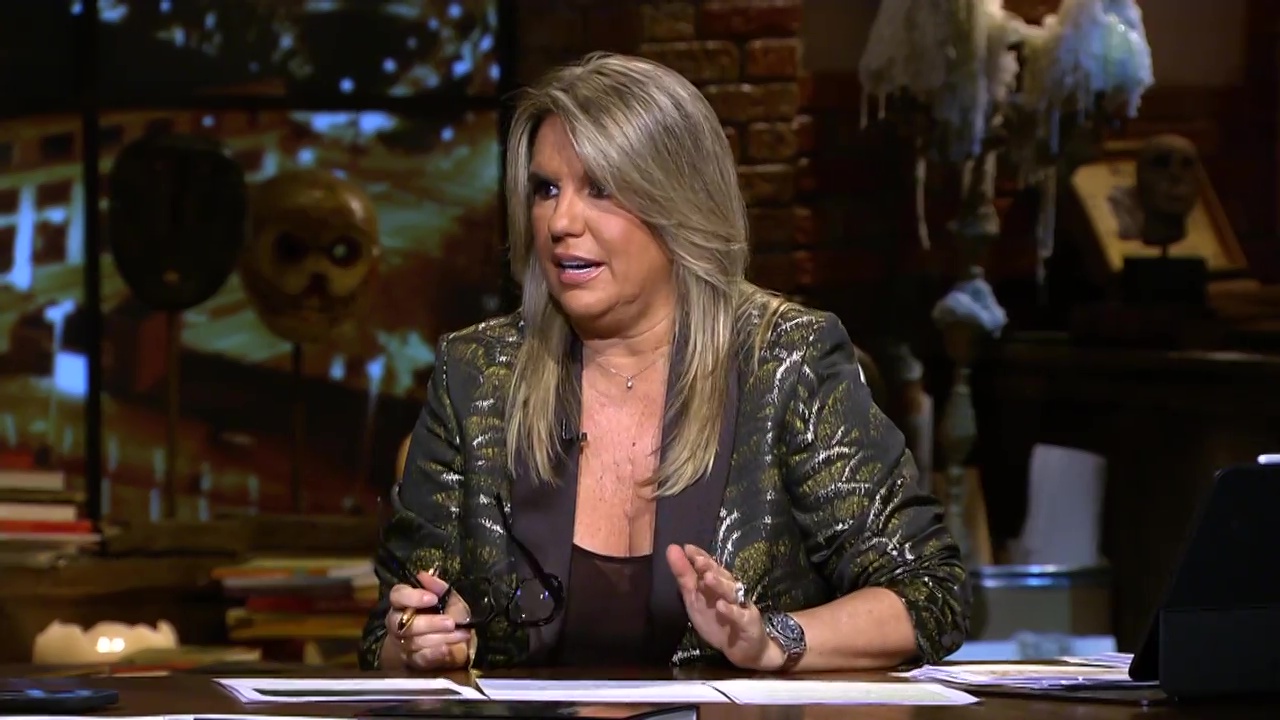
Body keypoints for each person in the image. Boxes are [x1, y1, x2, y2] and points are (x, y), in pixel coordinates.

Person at [359, 52, 969, 673]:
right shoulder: (476, 374)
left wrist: (772, 640)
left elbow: (928, 593)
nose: (560, 222)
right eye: (546, 189)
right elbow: (388, 630)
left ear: (679, 202)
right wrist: (416, 640)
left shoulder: (785, 360)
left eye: (600, 188)